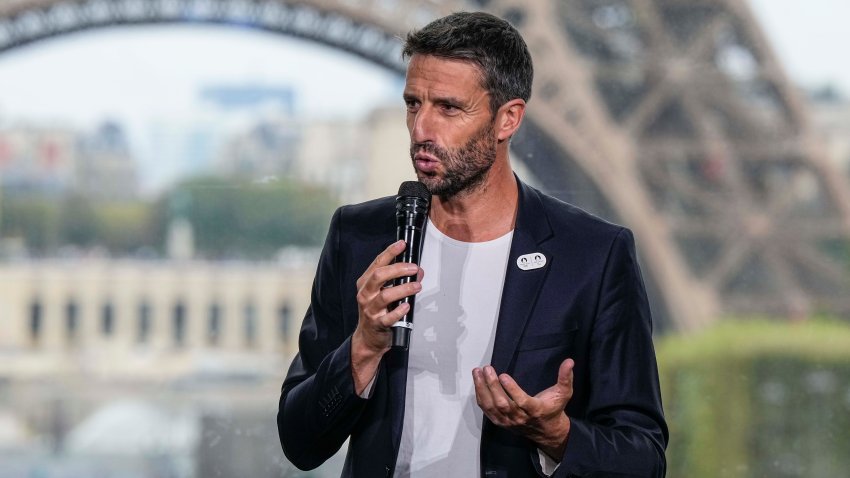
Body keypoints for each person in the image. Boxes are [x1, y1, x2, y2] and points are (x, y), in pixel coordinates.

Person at [278, 11, 668, 478]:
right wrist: (362, 347)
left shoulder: (592, 256)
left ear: (508, 119)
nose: (422, 128)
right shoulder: (360, 237)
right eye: (412, 104)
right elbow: (299, 442)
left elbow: (643, 459)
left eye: (447, 108)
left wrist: (556, 434)